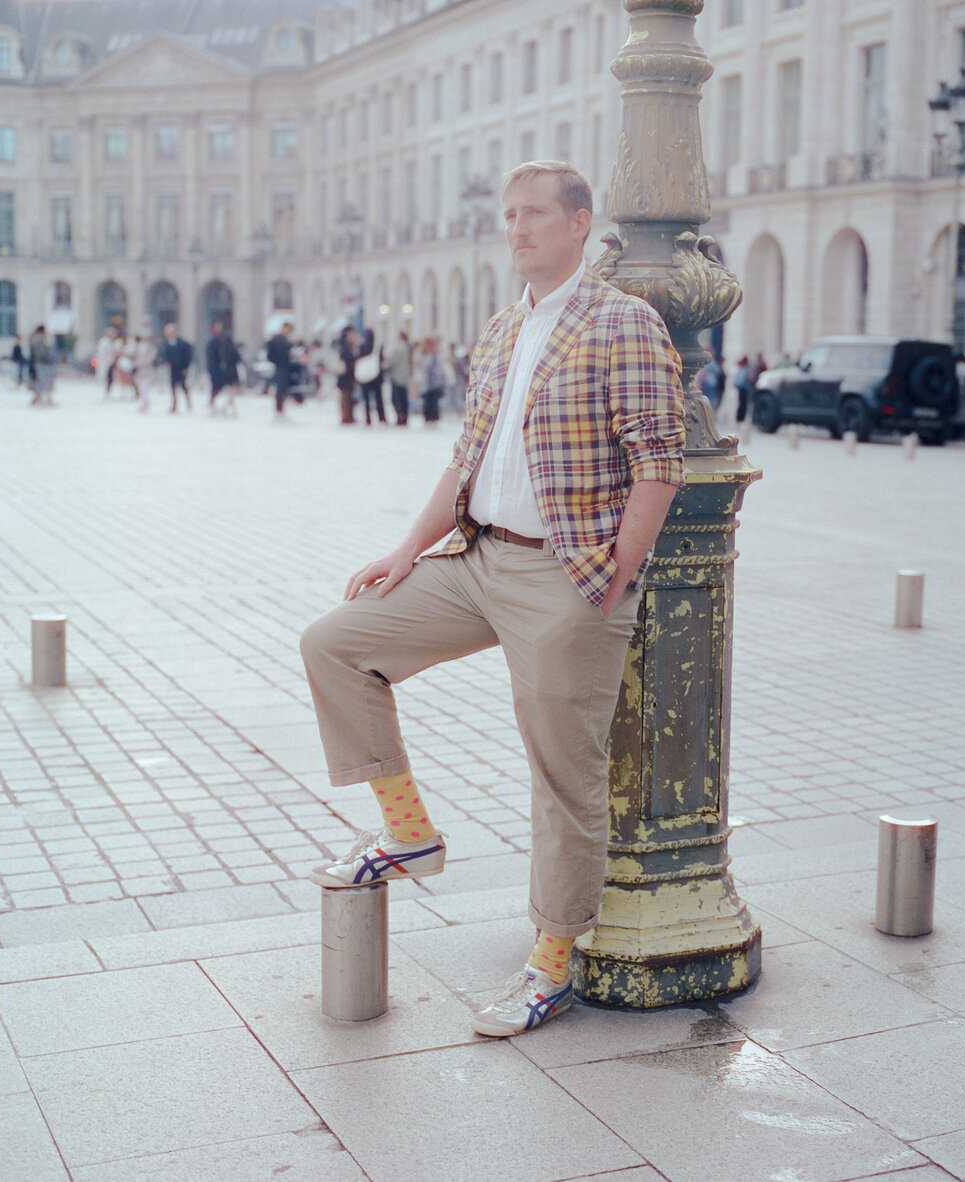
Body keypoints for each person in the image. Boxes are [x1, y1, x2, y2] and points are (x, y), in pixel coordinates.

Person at [299, 160, 684, 1038]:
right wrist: (406, 551)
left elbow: (660, 460)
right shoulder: (504, 328)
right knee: (336, 643)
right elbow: (466, 459)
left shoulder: (625, 323)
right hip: (476, 559)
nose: (516, 229)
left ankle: (551, 966)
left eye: (535, 214)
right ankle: (408, 832)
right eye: (508, 216)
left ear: (581, 222)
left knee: (562, 775)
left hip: (568, 574)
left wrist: (617, 572)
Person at [205, 321, 240, 415]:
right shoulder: (215, 342)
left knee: (225, 389)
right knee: (228, 389)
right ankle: (224, 405)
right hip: (224, 369)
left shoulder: (220, 343)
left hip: (223, 369)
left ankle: (225, 406)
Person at [265, 320, 298, 418]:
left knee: (283, 389)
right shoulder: (278, 340)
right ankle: (279, 410)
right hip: (281, 366)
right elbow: (271, 355)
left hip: (285, 366)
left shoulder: (284, 340)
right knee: (280, 389)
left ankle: (280, 409)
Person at [356, 327, 386, 425]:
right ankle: (381, 417)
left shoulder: (363, 346)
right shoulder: (377, 346)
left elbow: (359, 359)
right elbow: (382, 360)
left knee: (366, 399)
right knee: (379, 398)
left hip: (365, 377)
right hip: (376, 376)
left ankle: (368, 418)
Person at [161, 322, 194, 413]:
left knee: (183, 386)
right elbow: (165, 355)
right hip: (173, 369)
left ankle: (188, 402)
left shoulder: (183, 344)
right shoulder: (167, 344)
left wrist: (186, 367)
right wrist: (166, 362)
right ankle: (174, 404)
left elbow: (188, 356)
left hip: (181, 368)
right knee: (173, 387)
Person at [415, 334, 445, 425]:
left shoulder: (432, 353)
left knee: (432, 400)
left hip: (432, 380)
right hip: (428, 380)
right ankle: (430, 417)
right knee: (429, 400)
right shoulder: (425, 353)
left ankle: (431, 417)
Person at [28, 325, 58, 406]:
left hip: (39, 363)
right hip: (43, 363)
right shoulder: (41, 340)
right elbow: (43, 353)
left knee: (40, 381)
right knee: (44, 381)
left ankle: (40, 398)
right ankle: (44, 399)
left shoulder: (34, 339)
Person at [386, 331, 411, 425]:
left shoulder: (398, 347)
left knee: (397, 398)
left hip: (397, 376)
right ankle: (404, 416)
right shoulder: (406, 347)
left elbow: (392, 361)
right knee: (403, 397)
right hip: (404, 375)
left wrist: (386, 367)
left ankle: (401, 417)